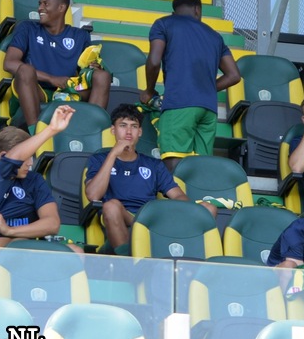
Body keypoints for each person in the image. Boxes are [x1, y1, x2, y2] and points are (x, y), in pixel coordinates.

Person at [85, 104, 217, 252]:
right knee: (111, 206)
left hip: (151, 218)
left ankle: (191, 258)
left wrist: (186, 210)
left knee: (208, 208)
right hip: (123, 217)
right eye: (123, 125)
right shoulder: (99, 159)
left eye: (134, 126)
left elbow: (178, 195)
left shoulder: (153, 164)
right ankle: (129, 263)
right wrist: (113, 155)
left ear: (140, 132)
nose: (128, 131)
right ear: (113, 130)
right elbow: (93, 195)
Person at [140, 0, 241, 172]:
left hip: (180, 103)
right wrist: (209, 89)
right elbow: (234, 75)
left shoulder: (164, 23)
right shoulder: (215, 36)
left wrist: (149, 91)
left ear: (174, 13)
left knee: (173, 164)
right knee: (200, 168)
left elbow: (154, 61)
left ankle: (177, 201)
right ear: (197, 10)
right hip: (209, 110)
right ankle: (197, 201)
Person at [3, 0, 111, 133]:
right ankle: (36, 133)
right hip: (37, 90)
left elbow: (85, 71)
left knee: (102, 76)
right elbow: (9, 63)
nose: (40, 8)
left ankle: (90, 131)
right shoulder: (27, 28)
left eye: (45, 4)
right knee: (25, 70)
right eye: (39, 3)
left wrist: (93, 68)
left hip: (68, 92)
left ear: (61, 7)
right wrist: (51, 78)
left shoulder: (80, 36)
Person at [0, 105, 75, 248]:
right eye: (26, 158)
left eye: (32, 157)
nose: (30, 163)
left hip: (26, 251)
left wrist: (10, 230)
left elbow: (52, 224)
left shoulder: (35, 180)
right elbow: (13, 159)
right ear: (4, 156)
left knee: (76, 251)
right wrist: (51, 129)